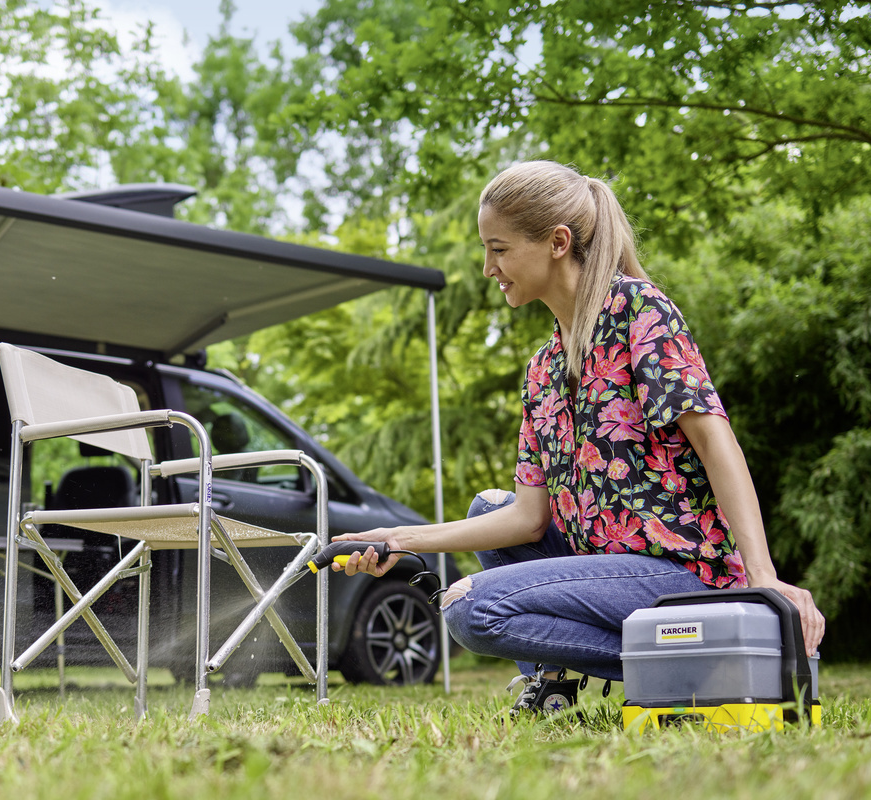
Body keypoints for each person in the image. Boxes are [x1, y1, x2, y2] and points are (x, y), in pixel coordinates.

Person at [333, 160, 825, 713]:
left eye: (498, 248)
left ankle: (707, 654)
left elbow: (717, 444)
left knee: (469, 610)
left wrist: (763, 580)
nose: (488, 267)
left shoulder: (639, 312)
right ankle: (560, 682)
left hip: (680, 571)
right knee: (484, 508)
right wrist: (398, 540)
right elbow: (527, 518)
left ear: (557, 242)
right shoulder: (543, 369)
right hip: (606, 569)